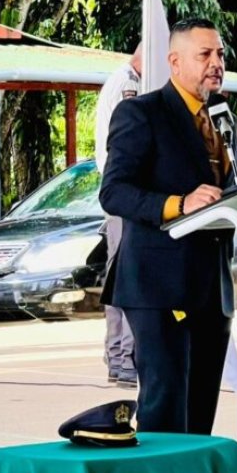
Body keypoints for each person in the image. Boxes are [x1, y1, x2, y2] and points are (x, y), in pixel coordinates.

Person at [99, 18, 237, 442]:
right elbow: (115, 192)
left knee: (200, 409)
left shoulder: (219, 117)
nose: (216, 63)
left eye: (219, 54)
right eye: (205, 55)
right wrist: (177, 205)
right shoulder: (141, 112)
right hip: (159, 288)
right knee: (166, 407)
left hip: (210, 288)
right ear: (174, 61)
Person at [95, 44, 142, 389]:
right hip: (125, 195)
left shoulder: (125, 79)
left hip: (123, 196)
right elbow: (125, 145)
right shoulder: (129, 83)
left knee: (122, 276)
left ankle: (120, 357)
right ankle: (123, 358)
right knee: (128, 277)